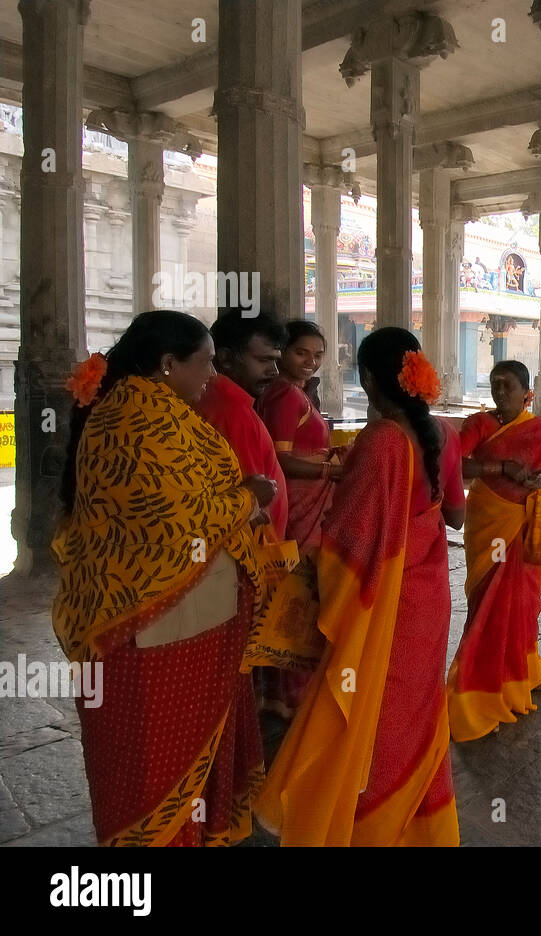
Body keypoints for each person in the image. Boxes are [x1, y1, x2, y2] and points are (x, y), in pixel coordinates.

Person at [51, 309, 280, 846]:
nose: (211, 376)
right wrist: (250, 497)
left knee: (170, 759)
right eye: (203, 364)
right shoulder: (139, 419)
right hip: (153, 624)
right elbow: (179, 520)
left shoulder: (154, 411)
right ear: (167, 363)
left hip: (183, 621)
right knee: (154, 760)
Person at [256, 327, 466, 846]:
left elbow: (350, 541)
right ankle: (415, 823)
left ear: (368, 378)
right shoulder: (435, 432)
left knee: (378, 711)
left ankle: (369, 824)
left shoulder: (381, 442)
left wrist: (317, 571)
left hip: (388, 603)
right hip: (427, 595)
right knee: (414, 707)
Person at [447, 360, 541, 742]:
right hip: (490, 525)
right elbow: (457, 466)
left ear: (526, 391)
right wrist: (501, 467)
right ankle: (477, 694)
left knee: (522, 606)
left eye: (508, 386)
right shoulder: (478, 424)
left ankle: (524, 677)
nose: (500, 392)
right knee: (489, 606)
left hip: (523, 524)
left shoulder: (539, 428)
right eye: (495, 385)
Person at [254, 320, 345, 719]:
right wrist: (332, 471)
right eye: (301, 353)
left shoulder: (292, 393)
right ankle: (291, 694)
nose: (310, 362)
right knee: (299, 592)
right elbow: (281, 457)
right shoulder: (285, 397)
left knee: (294, 593)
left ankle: (280, 691)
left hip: (304, 499)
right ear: (283, 353)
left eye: (318, 355)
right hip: (299, 502)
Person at [196, 311, 290, 539]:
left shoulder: (223, 400)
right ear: (226, 358)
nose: (274, 371)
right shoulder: (231, 411)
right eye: (264, 360)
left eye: (276, 361)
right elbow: (254, 500)